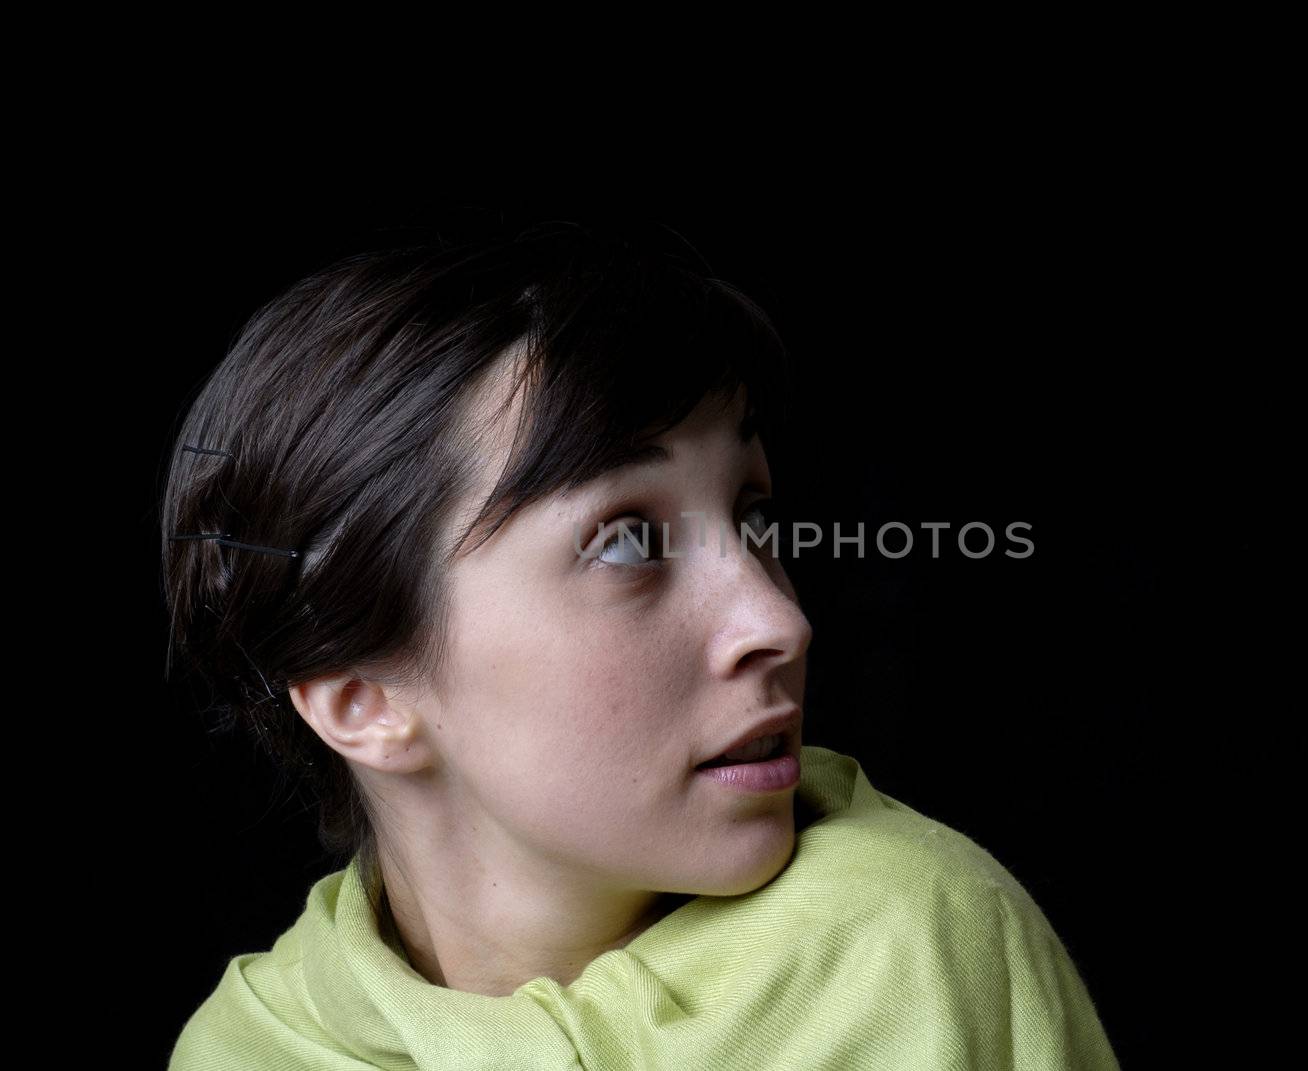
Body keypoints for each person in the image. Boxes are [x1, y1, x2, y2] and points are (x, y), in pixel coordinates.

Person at [162, 219, 1122, 1070]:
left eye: (751, 514)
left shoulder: (915, 952)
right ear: (361, 696)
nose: (781, 621)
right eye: (627, 539)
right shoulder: (249, 1051)